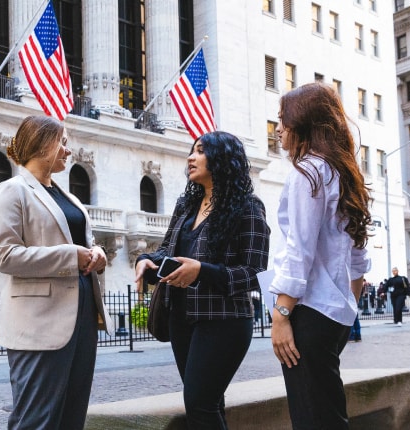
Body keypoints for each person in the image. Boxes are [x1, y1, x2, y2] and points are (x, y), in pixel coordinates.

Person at [134, 131, 270, 429]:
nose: (190, 157)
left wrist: (202, 271)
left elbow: (255, 272)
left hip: (224, 321)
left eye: (199, 151)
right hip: (180, 317)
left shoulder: (248, 207)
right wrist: (146, 261)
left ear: (222, 159)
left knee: (200, 404)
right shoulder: (186, 205)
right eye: (191, 151)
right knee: (207, 403)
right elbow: (167, 252)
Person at [0, 115, 113, 430]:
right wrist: (72, 257)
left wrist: (96, 253)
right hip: (39, 324)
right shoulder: (12, 191)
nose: (68, 151)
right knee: (37, 419)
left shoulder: (66, 196)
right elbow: (6, 256)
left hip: (82, 317)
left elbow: (81, 242)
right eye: (63, 142)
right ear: (44, 145)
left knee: (72, 417)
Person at [269, 82, 372, 429]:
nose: (279, 127)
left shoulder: (307, 174)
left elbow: (299, 251)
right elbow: (358, 259)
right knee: (328, 412)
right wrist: (349, 303)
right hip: (335, 315)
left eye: (284, 118)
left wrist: (281, 314)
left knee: (313, 417)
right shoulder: (343, 173)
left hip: (309, 313)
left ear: (304, 122)